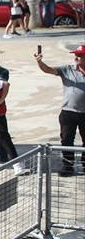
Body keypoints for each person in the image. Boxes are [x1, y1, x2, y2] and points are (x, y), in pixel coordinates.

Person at [35, 43, 85, 177]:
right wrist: (40, 62)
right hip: (68, 112)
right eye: (76, 55)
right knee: (67, 140)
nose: (76, 58)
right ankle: (68, 165)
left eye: (79, 56)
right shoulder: (67, 69)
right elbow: (48, 70)